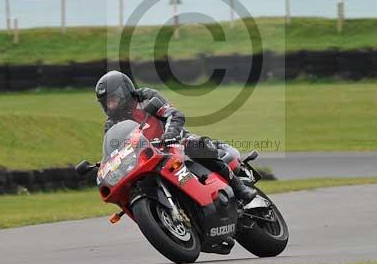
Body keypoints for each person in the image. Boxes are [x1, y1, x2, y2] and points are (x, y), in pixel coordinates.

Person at [95, 70, 257, 202]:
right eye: (106, 102)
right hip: (146, 158)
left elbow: (174, 114)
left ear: (124, 92)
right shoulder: (111, 125)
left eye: (113, 100)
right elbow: (115, 150)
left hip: (174, 142)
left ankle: (239, 188)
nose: (110, 105)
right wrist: (104, 165)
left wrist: (170, 133)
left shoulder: (146, 97)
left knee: (197, 146)